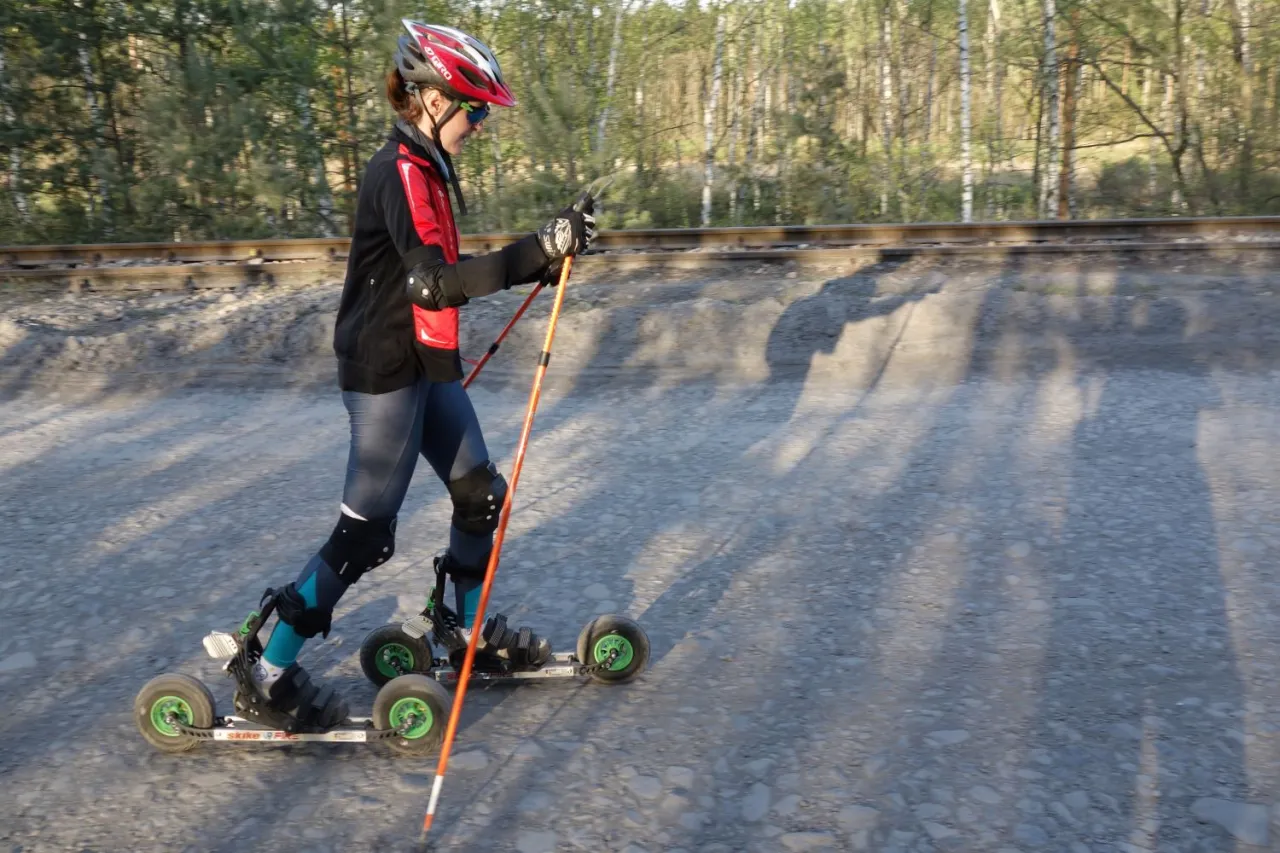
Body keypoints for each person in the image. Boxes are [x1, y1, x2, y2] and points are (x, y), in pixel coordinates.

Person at [243, 19, 597, 730]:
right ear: (432, 99)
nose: (482, 120)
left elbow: (441, 278)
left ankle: (459, 634)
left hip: (424, 361)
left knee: (481, 494)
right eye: (475, 107)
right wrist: (534, 252)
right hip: (385, 369)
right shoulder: (397, 172)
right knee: (366, 533)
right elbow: (432, 285)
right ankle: (266, 668)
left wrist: (547, 253)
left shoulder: (425, 162)